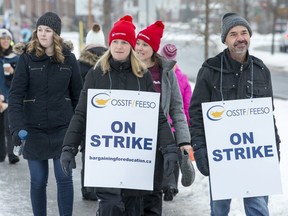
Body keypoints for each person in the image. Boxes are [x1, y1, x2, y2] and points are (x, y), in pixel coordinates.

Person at [60, 15, 178, 216]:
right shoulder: (96, 74)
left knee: (133, 209)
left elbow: (156, 116)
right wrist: (69, 147)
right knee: (111, 206)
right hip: (106, 159)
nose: (119, 46)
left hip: (135, 160)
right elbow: (81, 113)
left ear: (131, 46)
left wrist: (169, 149)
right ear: (109, 43)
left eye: (125, 42)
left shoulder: (143, 76)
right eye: (115, 41)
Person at [189, 12, 281, 216]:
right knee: (219, 211)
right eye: (233, 34)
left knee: (258, 209)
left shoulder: (261, 69)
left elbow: (268, 115)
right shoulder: (210, 70)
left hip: (254, 156)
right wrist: (200, 149)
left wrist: (274, 148)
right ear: (225, 39)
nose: (240, 38)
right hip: (221, 157)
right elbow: (196, 113)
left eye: (244, 32)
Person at [8, 12, 83, 216]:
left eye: (47, 30)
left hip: (63, 129)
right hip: (33, 130)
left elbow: (79, 97)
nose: (42, 34)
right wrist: (17, 127)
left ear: (56, 34)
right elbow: (15, 97)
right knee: (39, 180)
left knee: (65, 179)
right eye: (39, 29)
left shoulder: (69, 59)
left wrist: (80, 131)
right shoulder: (27, 59)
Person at [135, 20, 191, 211]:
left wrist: (183, 140)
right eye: (138, 43)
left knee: (152, 195)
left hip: (159, 141)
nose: (140, 48)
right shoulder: (127, 68)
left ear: (154, 48)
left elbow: (177, 109)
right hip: (131, 140)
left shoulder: (166, 74)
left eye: (145, 45)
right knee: (131, 197)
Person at [160, 43, 194, 199]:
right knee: (174, 156)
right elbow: (186, 104)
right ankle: (172, 185)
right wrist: (186, 124)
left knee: (163, 156)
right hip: (176, 126)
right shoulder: (182, 78)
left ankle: (164, 182)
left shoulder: (160, 74)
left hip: (164, 124)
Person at [78, 23, 107, 201]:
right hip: (105, 116)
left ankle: (88, 189)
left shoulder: (79, 64)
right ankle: (103, 186)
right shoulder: (110, 63)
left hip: (85, 115)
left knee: (87, 152)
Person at [0, 28, 19, 164]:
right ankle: (1, 154)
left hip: (10, 96)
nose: (5, 41)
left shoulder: (15, 58)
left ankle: (12, 154)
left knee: (9, 126)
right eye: (2, 39)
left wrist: (13, 71)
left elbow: (20, 79)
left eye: (8, 39)